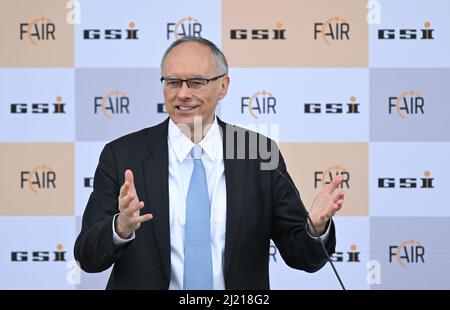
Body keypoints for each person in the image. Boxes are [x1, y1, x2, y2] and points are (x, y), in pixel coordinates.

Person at [74, 36, 345, 290]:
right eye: (172, 82)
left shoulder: (257, 152)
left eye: (195, 82)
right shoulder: (122, 155)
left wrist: (315, 229)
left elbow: (303, 256)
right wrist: (120, 228)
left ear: (223, 87)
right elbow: (87, 257)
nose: (182, 94)